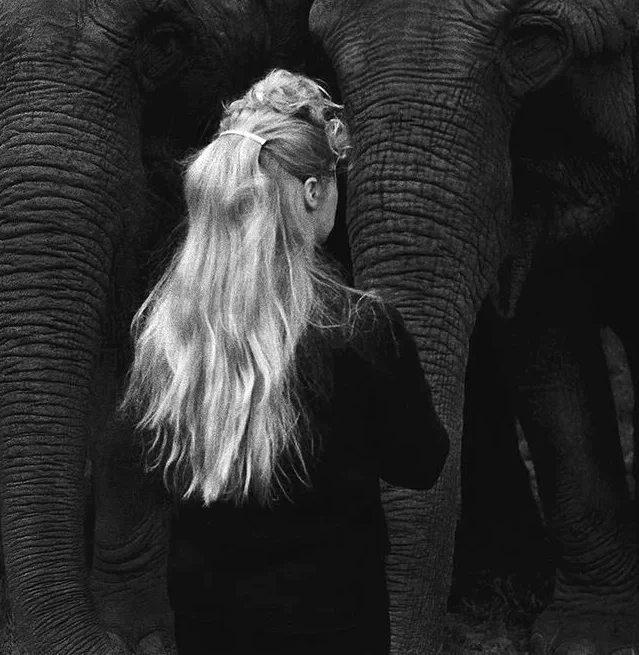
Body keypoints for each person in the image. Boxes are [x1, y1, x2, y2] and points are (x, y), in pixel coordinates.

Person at [121, 69, 449, 654]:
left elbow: (154, 463)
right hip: (332, 622)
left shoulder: (169, 327)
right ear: (312, 191)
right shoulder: (359, 327)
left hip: (205, 620)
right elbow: (421, 463)